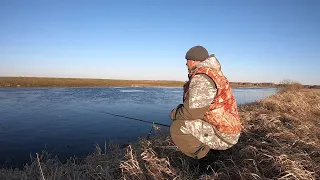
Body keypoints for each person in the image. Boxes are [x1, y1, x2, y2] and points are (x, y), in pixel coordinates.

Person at [169, 45, 241, 159]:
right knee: (189, 121)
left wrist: (174, 113)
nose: (186, 64)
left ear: (192, 61)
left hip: (225, 135)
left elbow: (191, 113)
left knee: (178, 127)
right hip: (227, 128)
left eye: (187, 61)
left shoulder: (202, 78)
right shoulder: (212, 73)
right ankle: (212, 149)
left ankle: (206, 159)